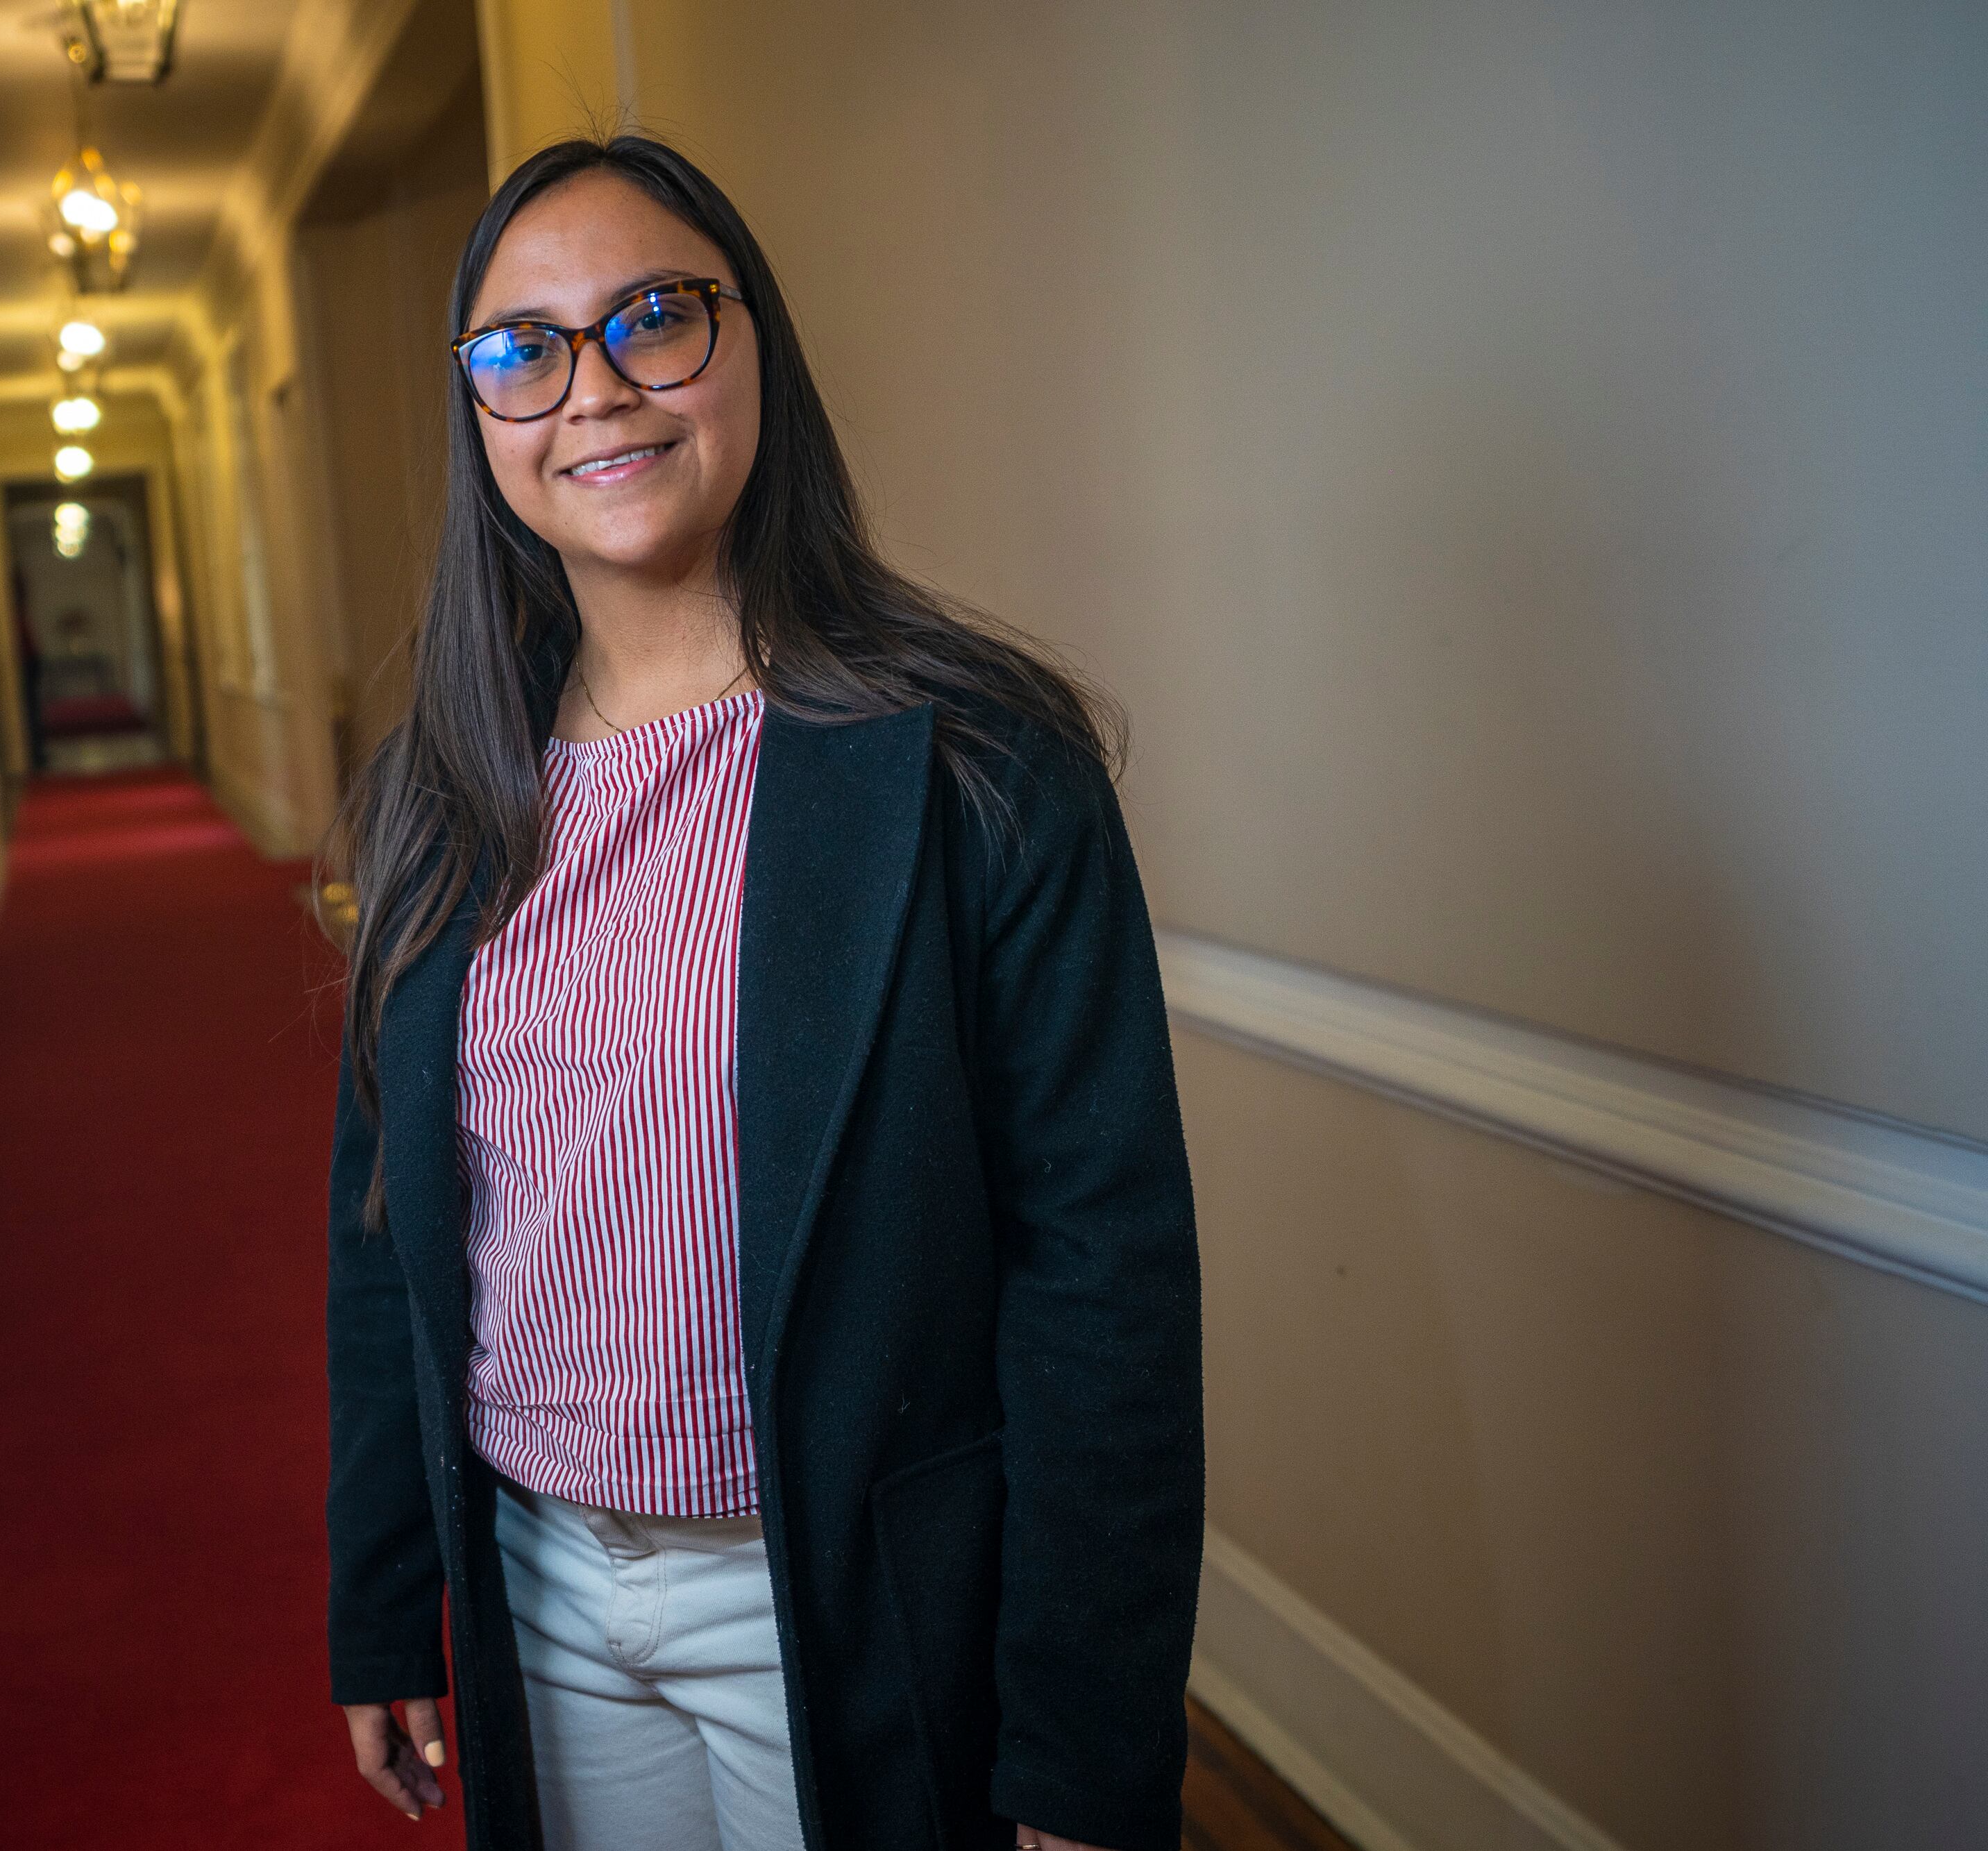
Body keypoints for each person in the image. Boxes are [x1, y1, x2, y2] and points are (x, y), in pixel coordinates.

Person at [321, 135, 1202, 1851]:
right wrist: (382, 1586)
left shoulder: (974, 767)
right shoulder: (431, 798)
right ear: (479, 417)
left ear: (750, 348)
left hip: (840, 1594)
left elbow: (1104, 1279)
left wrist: (1086, 1744)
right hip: (540, 1587)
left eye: (655, 315)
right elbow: (384, 1231)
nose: (596, 387)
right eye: (523, 348)